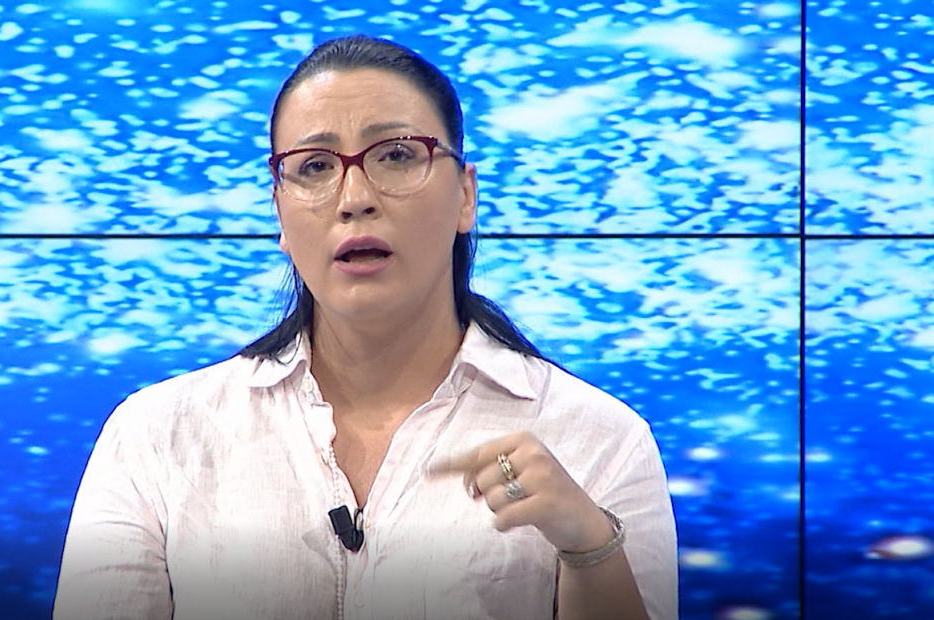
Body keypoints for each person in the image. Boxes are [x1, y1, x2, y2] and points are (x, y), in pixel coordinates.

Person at [54, 34, 677, 620]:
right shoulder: (157, 435)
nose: (354, 197)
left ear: (466, 196)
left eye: (397, 155)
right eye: (314, 167)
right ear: (279, 211)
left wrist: (589, 547)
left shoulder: (600, 439)